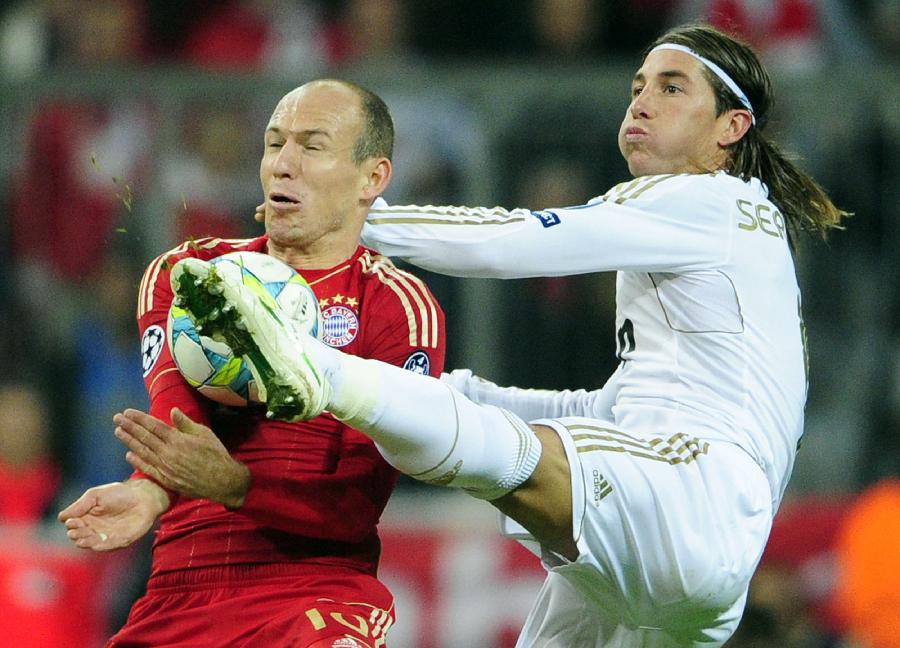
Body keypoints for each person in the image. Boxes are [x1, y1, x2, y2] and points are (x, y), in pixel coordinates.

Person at [166, 24, 849, 647]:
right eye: (638, 85)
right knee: (461, 409)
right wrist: (439, 393)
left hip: (688, 496)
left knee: (495, 448)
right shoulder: (725, 244)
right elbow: (619, 413)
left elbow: (514, 241)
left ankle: (315, 370)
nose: (642, 101)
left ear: (731, 127)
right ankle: (355, 384)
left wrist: (357, 218)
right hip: (697, 553)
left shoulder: (707, 200)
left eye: (672, 89)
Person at [58, 79, 446, 648]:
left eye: (312, 146)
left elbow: (356, 505)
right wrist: (150, 491)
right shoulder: (186, 275)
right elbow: (180, 424)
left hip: (314, 591)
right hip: (180, 590)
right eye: (273, 144)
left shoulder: (396, 307)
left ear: (373, 178)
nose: (283, 165)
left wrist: (238, 485)